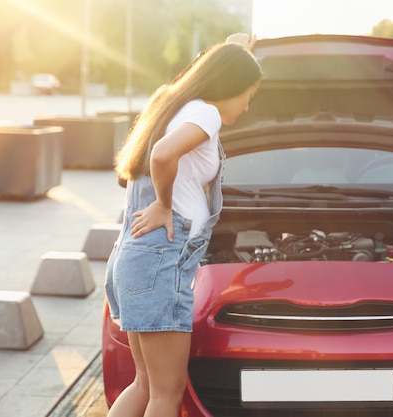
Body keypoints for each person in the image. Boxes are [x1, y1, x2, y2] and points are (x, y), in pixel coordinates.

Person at [104, 35, 262, 417]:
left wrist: (238, 50)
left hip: (137, 260)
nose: (247, 105)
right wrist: (163, 204)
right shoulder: (205, 112)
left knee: (145, 384)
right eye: (248, 95)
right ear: (231, 86)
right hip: (162, 264)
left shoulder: (172, 103)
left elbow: (212, 73)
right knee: (166, 392)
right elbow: (162, 154)